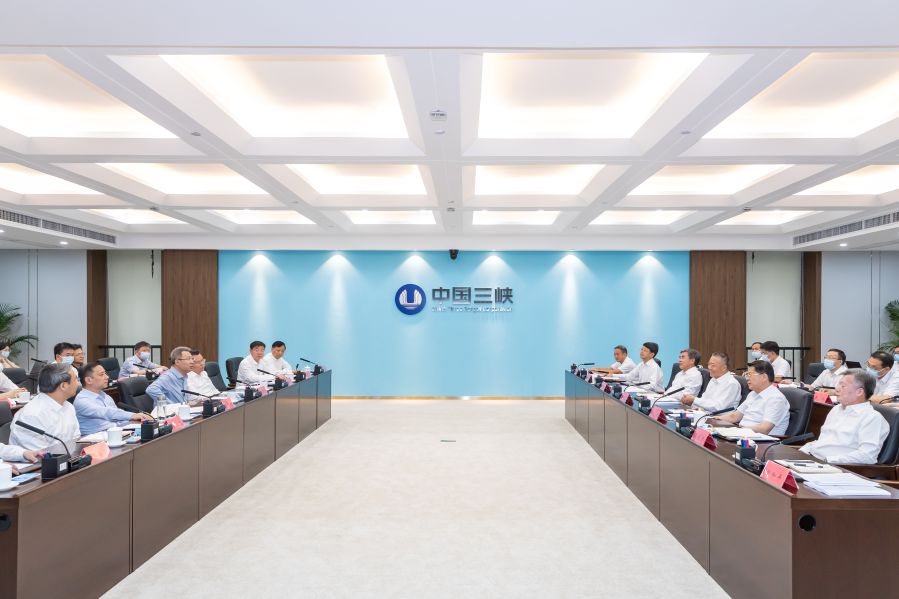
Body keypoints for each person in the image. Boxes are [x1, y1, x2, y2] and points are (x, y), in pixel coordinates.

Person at [800, 370, 889, 464]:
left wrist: (827, 461)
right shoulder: (836, 409)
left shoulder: (872, 418)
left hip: (833, 466)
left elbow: (867, 456)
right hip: (813, 459)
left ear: (859, 392)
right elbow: (823, 441)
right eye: (838, 384)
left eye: (843, 386)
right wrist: (803, 451)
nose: (837, 389)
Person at [9, 363, 81, 454]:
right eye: (76, 379)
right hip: (39, 461)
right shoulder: (32, 415)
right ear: (63, 386)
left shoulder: (68, 406)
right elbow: (39, 455)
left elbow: (76, 438)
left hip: (67, 458)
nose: (78, 384)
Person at [708, 360, 790, 435]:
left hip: (763, 440)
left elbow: (764, 429)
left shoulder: (776, 398)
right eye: (746, 375)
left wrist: (739, 430)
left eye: (750, 374)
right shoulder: (753, 394)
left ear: (764, 377)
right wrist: (714, 419)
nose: (747, 378)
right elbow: (735, 416)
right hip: (744, 434)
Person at [74, 362, 152, 434]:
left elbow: (116, 418)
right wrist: (132, 416)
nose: (107, 377)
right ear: (88, 380)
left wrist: (135, 420)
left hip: (114, 433)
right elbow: (106, 413)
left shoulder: (105, 396)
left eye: (105, 373)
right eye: (101, 374)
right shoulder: (82, 400)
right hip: (93, 440)